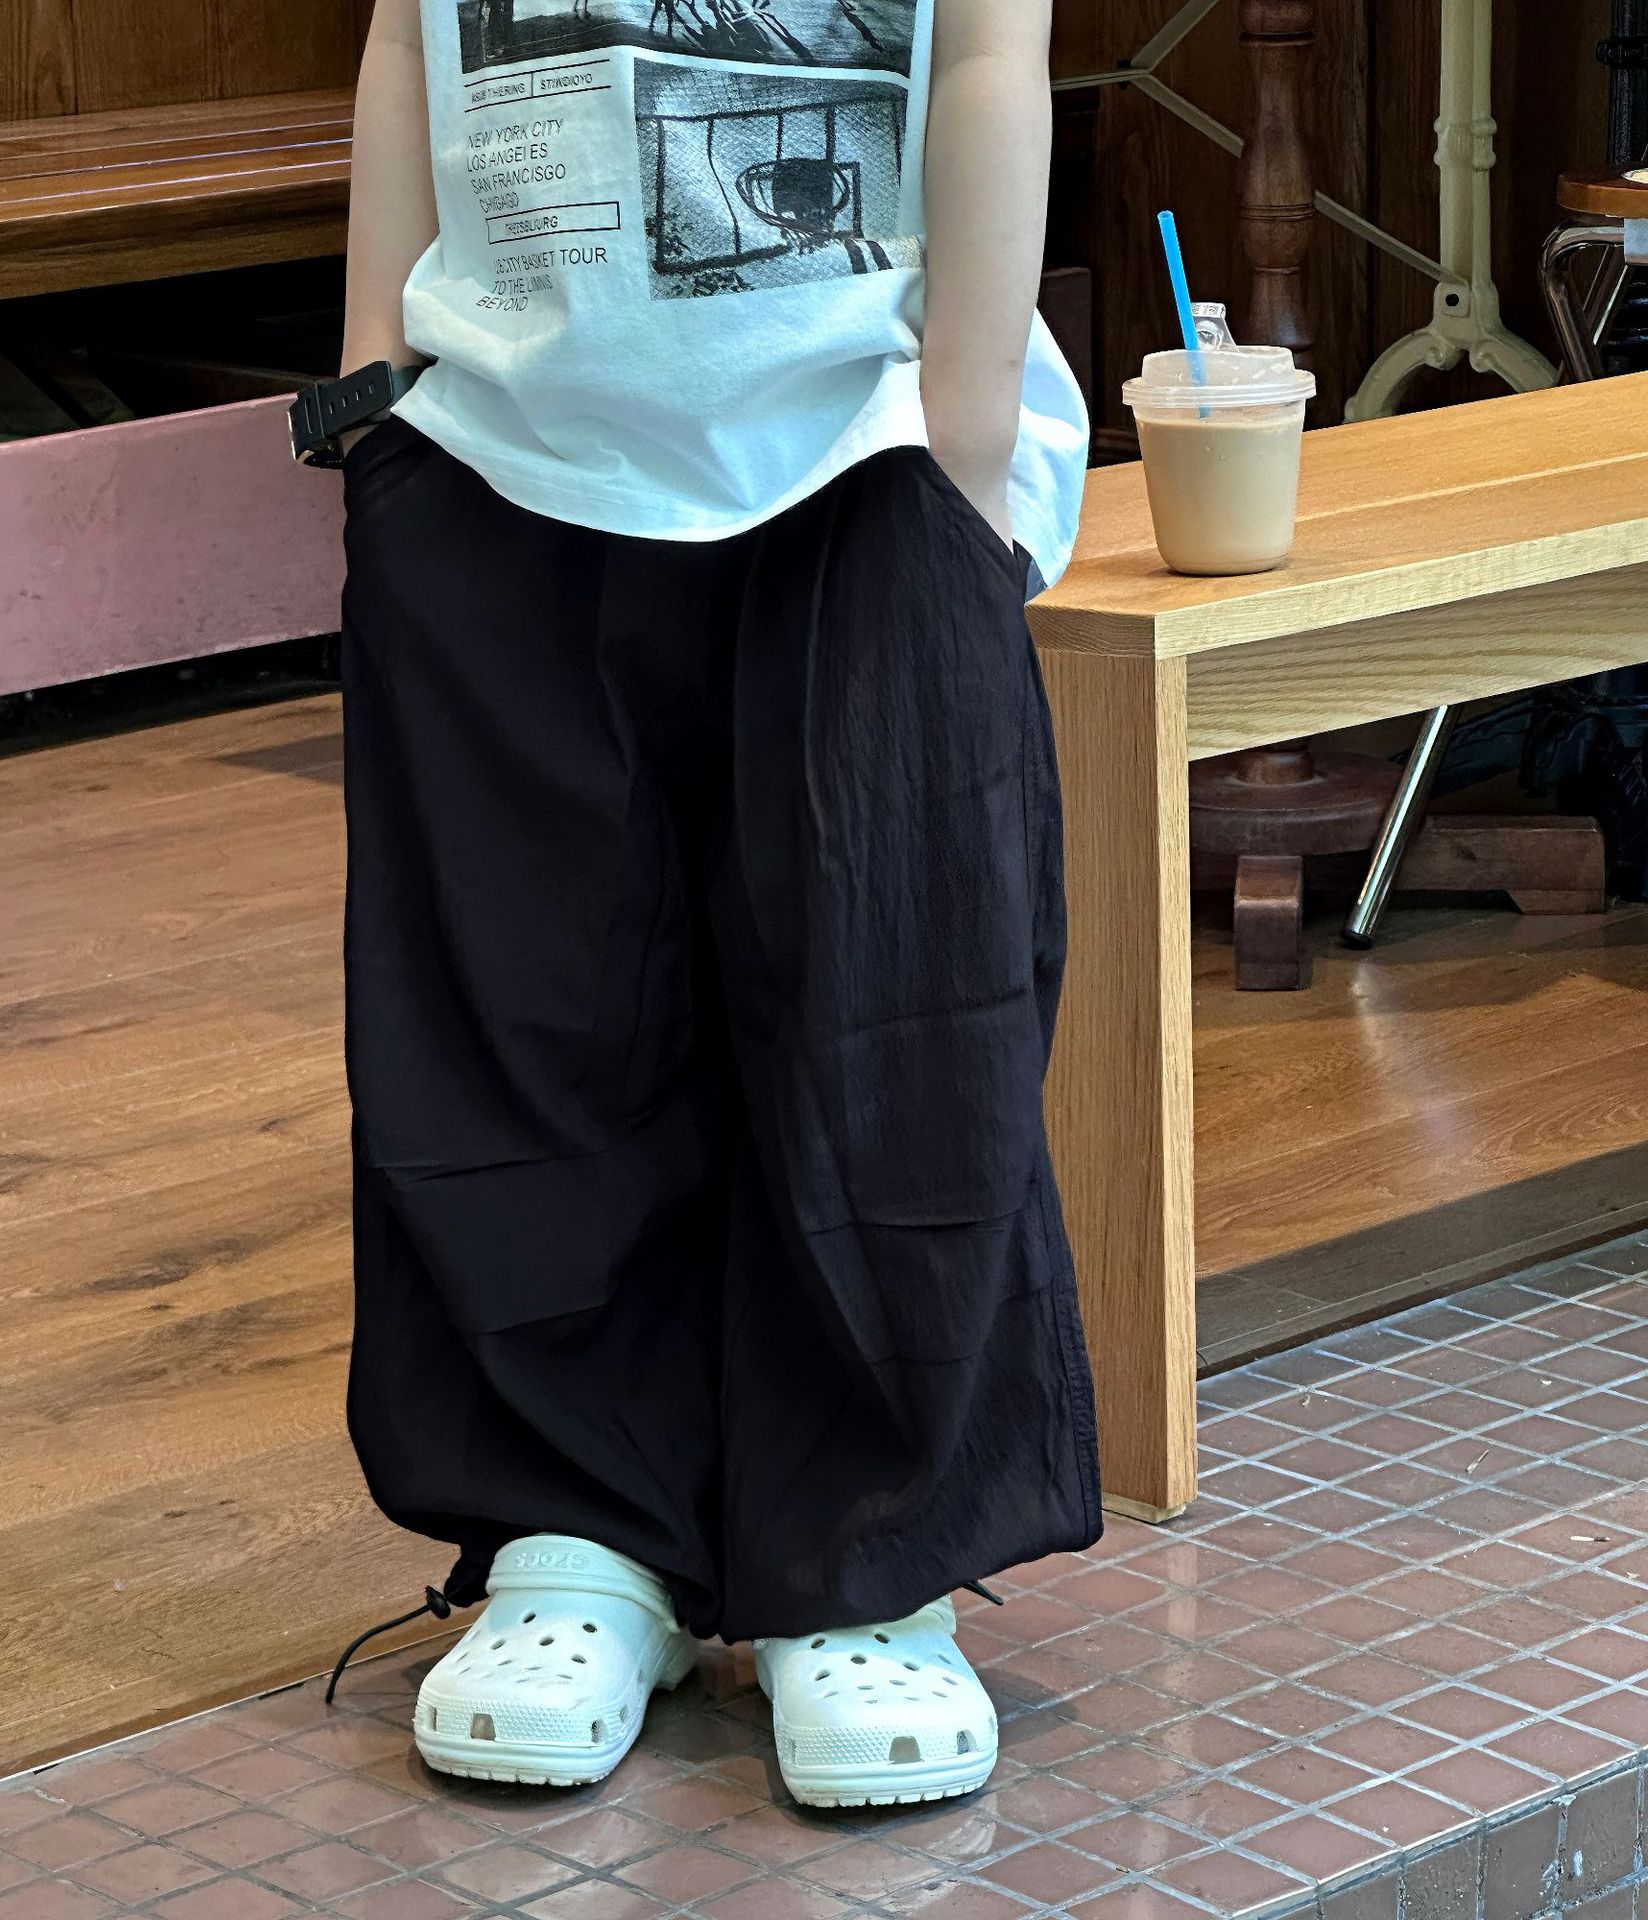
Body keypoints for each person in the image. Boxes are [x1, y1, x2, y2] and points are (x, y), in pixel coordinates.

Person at [328, 0, 1099, 1811]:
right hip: (495, 437)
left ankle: (872, 1559)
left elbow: (992, 50)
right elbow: (400, 38)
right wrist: (371, 397)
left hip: (867, 436)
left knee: (890, 1003)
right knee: (522, 997)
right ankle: (576, 1530)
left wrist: (964, 445)